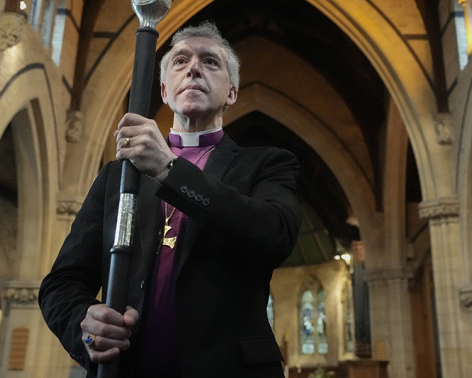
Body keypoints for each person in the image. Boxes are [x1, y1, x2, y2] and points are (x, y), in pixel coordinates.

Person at [39, 21, 301, 378]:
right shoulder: (116, 176)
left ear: (232, 92)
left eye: (210, 62)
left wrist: (169, 168)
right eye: (180, 61)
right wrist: (84, 326)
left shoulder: (267, 164)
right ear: (164, 90)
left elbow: (276, 235)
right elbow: (62, 282)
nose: (193, 67)